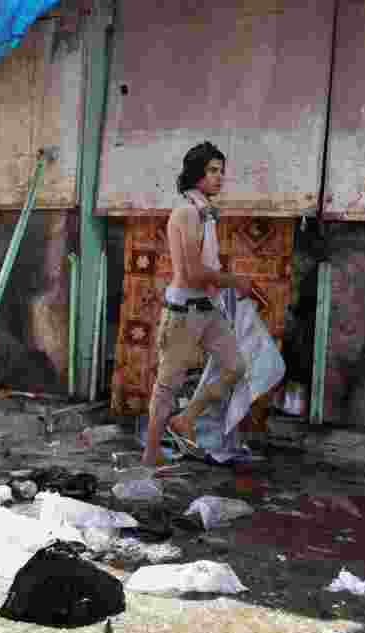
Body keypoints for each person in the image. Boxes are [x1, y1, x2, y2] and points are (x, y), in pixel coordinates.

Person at [142, 142, 258, 470]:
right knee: (167, 385)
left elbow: (203, 271)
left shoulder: (204, 212)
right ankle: (150, 456)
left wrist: (224, 286)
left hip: (207, 309)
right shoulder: (187, 212)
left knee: (235, 366)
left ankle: (186, 419)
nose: (220, 177)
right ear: (196, 174)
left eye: (222, 171)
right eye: (212, 170)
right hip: (184, 312)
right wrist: (234, 281)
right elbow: (192, 273)